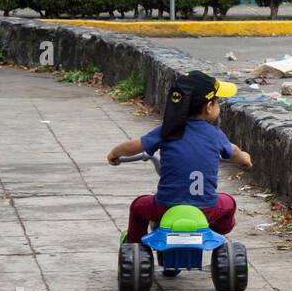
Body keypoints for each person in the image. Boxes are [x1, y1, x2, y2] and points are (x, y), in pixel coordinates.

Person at [108, 70, 253, 243]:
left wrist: (114, 153)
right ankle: (215, 230)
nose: (218, 106)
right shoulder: (215, 135)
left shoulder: (166, 131)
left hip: (165, 207)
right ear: (208, 107)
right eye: (217, 102)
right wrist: (245, 159)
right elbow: (234, 151)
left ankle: (133, 243)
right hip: (206, 210)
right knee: (228, 203)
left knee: (139, 206)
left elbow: (135, 145)